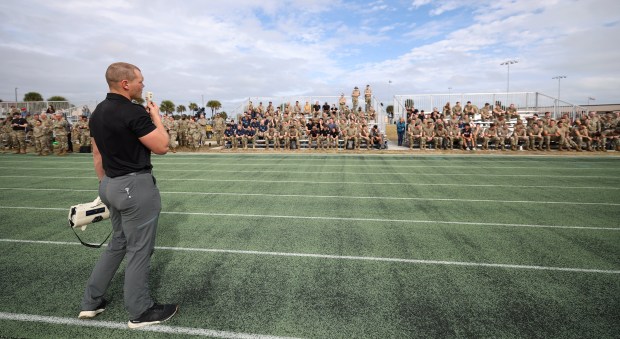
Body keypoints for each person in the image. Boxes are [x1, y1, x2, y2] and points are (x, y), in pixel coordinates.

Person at [79, 62, 178, 329]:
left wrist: (105, 188)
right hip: (134, 187)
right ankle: (140, 311)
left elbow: (97, 154)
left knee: (118, 245)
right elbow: (162, 146)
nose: (143, 85)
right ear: (125, 83)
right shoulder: (133, 112)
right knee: (139, 250)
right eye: (140, 81)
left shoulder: (98, 112)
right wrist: (156, 117)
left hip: (110, 183)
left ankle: (91, 302)